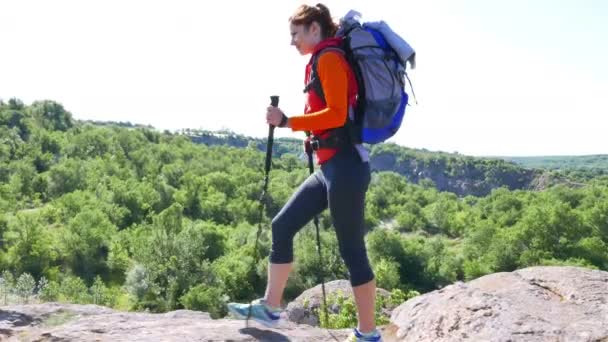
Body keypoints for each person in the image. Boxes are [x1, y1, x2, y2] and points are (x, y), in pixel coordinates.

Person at [228, 3, 383, 341]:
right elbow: (330, 117)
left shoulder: (329, 57)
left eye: (295, 34)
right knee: (281, 225)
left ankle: (368, 334)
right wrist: (314, 138)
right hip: (332, 167)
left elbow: (338, 114)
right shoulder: (320, 59)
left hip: (346, 169)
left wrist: (288, 122)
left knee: (352, 251)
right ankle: (270, 307)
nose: (292, 42)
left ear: (315, 29)